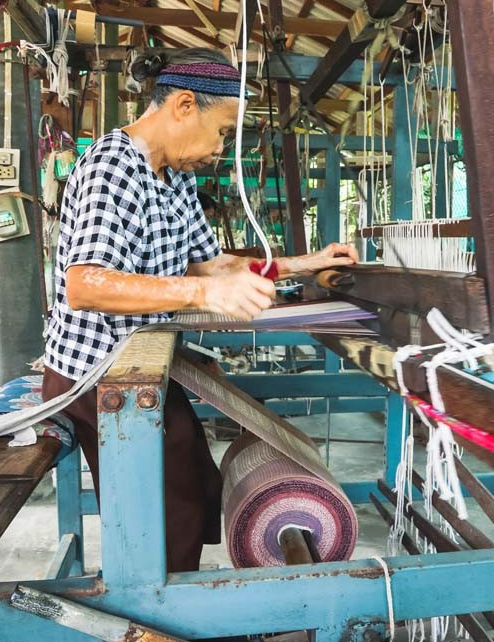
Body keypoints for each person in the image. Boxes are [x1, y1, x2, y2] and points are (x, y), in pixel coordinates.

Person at [41, 47, 359, 573]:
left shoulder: (176, 178)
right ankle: (151, 608)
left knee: (196, 482)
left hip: (142, 365)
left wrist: (307, 263)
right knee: (170, 511)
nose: (219, 150)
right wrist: (200, 295)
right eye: (220, 132)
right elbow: (85, 284)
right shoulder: (112, 167)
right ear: (184, 105)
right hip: (95, 380)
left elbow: (214, 266)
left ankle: (172, 591)